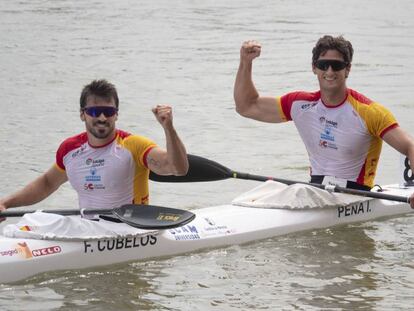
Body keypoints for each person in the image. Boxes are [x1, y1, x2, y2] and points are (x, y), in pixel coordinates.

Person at [234, 35, 414, 208]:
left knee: (297, 190)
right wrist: (245, 62)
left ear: (348, 69)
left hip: (353, 195)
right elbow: (246, 106)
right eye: (323, 65)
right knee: (269, 187)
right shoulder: (299, 105)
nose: (329, 71)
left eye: (336, 66)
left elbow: (409, 146)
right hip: (316, 191)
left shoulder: (369, 112)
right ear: (314, 68)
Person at [0, 79, 189, 222]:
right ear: (82, 114)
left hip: (130, 227)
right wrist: (5, 203)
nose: (101, 117)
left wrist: (168, 128)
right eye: (93, 111)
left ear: (116, 115)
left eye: (108, 112)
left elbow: (177, 168)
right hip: (88, 228)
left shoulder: (134, 146)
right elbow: (47, 183)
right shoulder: (69, 149)